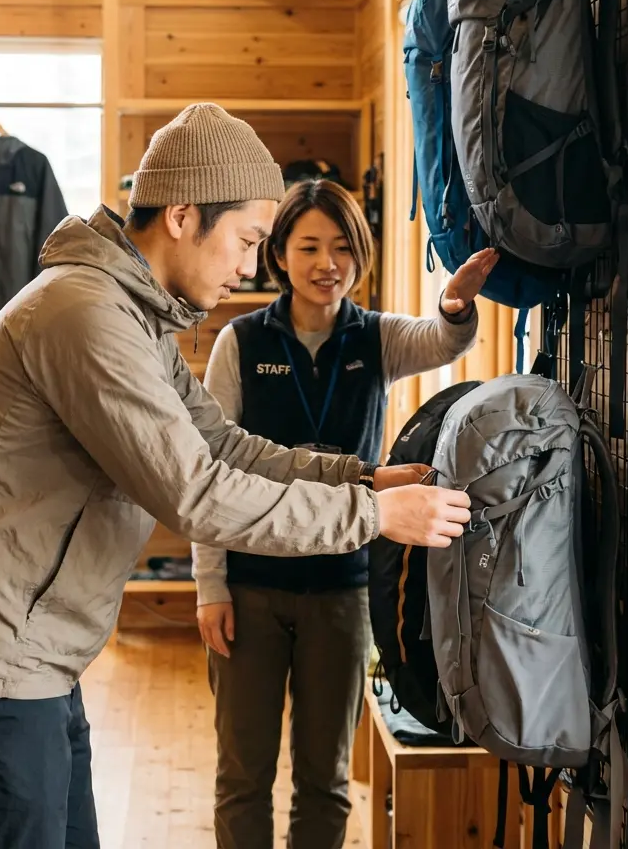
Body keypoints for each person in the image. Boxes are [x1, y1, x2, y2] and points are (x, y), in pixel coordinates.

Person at [0, 103, 474, 849]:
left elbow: (222, 443)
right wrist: (374, 518)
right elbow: (198, 491)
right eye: (249, 241)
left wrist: (364, 479)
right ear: (186, 216)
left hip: (29, 654)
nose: (252, 268)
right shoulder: (87, 317)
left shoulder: (135, 317)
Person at [192, 179, 494, 849]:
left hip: (341, 589)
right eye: (308, 247)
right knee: (243, 775)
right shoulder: (239, 343)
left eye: (340, 247)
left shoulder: (375, 338)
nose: (326, 263)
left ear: (359, 255)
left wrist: (454, 304)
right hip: (250, 585)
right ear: (278, 255)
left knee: (325, 778)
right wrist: (210, 587)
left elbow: (438, 341)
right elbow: (208, 476)